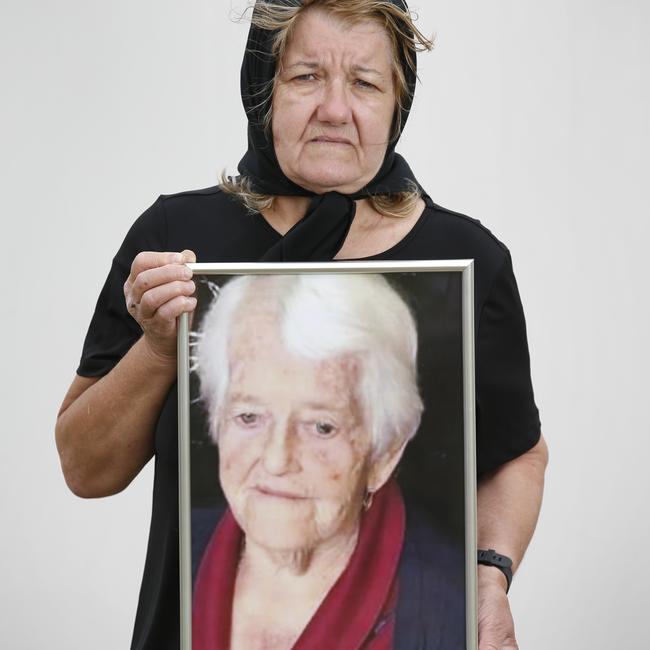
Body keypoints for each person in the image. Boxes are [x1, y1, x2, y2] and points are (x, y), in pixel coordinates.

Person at [55, 1, 549, 649]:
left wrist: (489, 574)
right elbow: (86, 471)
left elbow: (518, 452)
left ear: (398, 103)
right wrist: (156, 348)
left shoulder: (468, 260)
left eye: (366, 83)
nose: (336, 109)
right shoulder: (176, 241)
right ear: (263, 87)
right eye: (307, 76)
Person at [190, 273, 463, 649]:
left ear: (384, 453)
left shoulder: (452, 609)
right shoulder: (176, 556)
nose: (276, 460)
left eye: (321, 426)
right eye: (249, 416)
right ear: (217, 418)